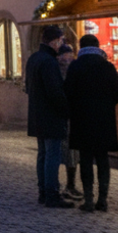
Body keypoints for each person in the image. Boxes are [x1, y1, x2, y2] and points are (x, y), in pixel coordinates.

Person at [64, 34, 118, 212]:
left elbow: (67, 91)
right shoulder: (107, 66)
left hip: (82, 119)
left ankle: (89, 199)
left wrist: (76, 106)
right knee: (103, 159)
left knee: (86, 159)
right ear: (97, 47)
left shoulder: (75, 66)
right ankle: (103, 200)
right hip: (104, 119)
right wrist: (107, 105)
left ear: (81, 47)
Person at [25, 25, 73, 208]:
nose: (62, 44)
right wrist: (65, 110)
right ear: (55, 41)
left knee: (43, 154)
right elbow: (55, 91)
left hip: (37, 114)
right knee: (52, 154)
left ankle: (43, 192)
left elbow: (29, 87)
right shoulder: (49, 61)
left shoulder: (34, 58)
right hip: (50, 115)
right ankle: (52, 193)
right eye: (61, 40)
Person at [56, 43, 82, 200]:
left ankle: (63, 185)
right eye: (68, 54)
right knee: (69, 151)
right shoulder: (70, 69)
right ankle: (68, 186)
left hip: (63, 115)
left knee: (66, 151)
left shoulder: (56, 68)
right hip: (68, 115)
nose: (69, 57)